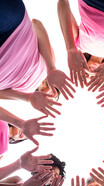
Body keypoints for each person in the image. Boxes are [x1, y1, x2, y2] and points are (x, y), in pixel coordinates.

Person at [0, 0, 76, 144]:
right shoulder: (47, 67)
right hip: (13, 27)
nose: (49, 96)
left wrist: (28, 98)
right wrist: (51, 68)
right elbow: (36, 24)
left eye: (48, 102)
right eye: (54, 96)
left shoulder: (23, 95)